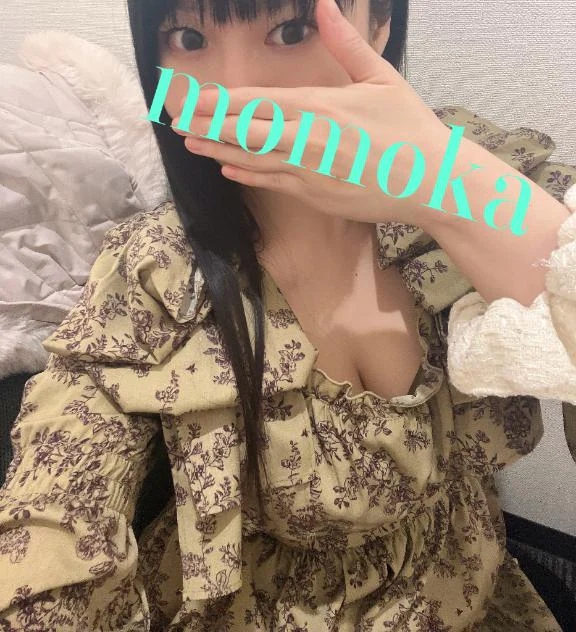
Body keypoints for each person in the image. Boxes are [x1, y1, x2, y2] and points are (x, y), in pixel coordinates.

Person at [0, 0, 575, 629]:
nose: (236, 90)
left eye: (291, 29)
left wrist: (444, 188)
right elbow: (53, 512)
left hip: (473, 581)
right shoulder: (157, 273)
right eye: (188, 37)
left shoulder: (473, 168)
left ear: (379, 25)